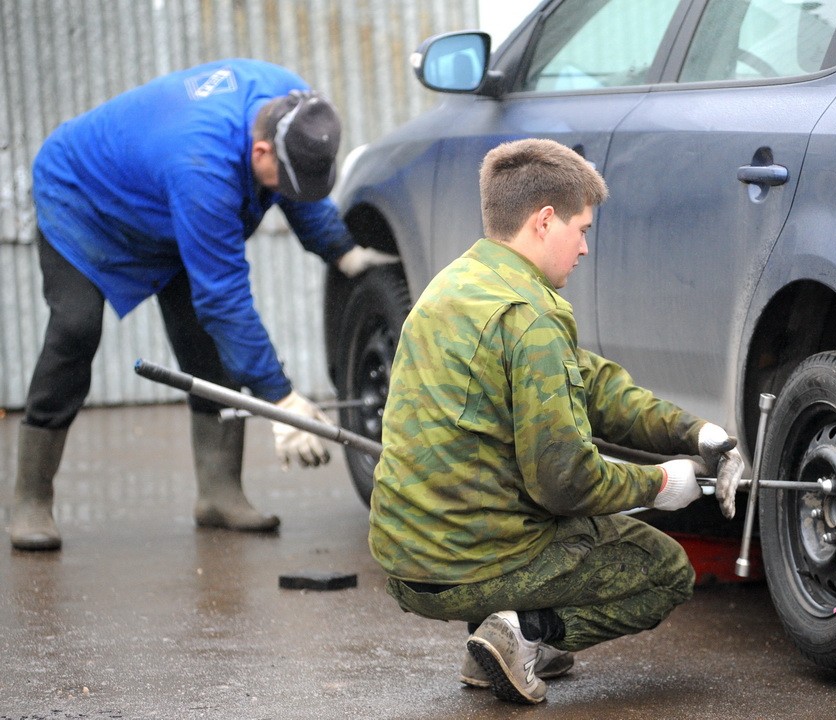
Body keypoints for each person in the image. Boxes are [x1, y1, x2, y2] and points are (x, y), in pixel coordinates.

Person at [368, 138, 745, 705]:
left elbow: (591, 385)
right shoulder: (532, 318)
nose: (586, 248)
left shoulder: (450, 288)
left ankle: (494, 641)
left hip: (403, 558)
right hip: (467, 560)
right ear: (545, 220)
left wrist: (695, 434)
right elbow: (564, 480)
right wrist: (662, 485)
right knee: (666, 571)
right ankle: (524, 636)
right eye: (583, 228)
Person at [8, 59, 397, 552]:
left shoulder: (297, 111)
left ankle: (218, 493)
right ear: (259, 151)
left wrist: (342, 252)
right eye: (278, 179)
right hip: (84, 201)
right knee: (75, 330)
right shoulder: (203, 168)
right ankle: (31, 498)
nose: (283, 191)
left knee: (206, 347)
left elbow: (297, 188)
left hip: (164, 209)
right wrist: (280, 400)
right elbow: (224, 296)